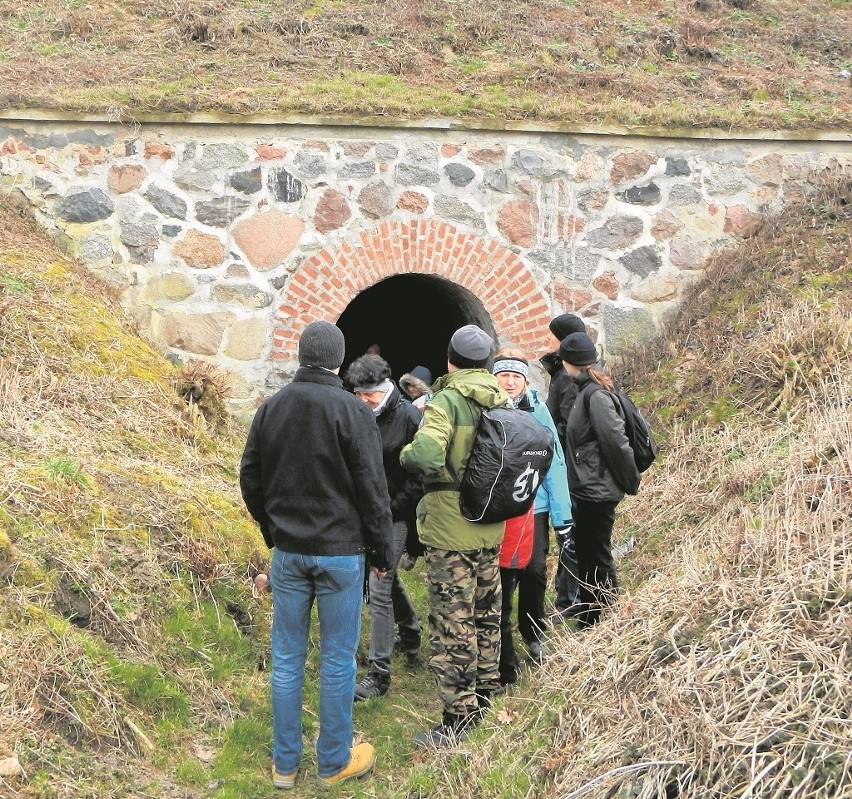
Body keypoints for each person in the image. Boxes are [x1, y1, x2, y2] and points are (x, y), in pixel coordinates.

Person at [239, 321, 394, 789]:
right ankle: (332, 763)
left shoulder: (272, 408)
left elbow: (250, 477)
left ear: (300, 355)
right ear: (338, 361)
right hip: (341, 555)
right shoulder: (352, 411)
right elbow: (373, 488)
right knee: (337, 660)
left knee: (286, 659)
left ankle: (284, 765)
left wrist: (273, 530)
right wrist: (382, 550)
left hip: (289, 553)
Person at [400, 324, 510, 748]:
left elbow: (426, 453)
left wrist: (407, 452)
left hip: (450, 527)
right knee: (486, 614)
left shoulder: (446, 401)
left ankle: (458, 719)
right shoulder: (502, 398)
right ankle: (488, 696)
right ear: (486, 363)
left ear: (451, 360)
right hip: (490, 523)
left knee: (453, 622)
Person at [343, 354, 424, 701]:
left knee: (378, 585)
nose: (363, 401)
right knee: (385, 576)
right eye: (358, 394)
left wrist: (390, 509)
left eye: (369, 395)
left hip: (395, 513)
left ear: (386, 388)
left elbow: (419, 476)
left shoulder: (407, 417)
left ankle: (379, 674)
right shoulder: (356, 412)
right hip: (366, 511)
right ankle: (410, 631)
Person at [492, 350, 573, 686]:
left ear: (525, 381)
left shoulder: (538, 411)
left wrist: (562, 517)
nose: (510, 382)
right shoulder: (489, 411)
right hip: (500, 510)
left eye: (516, 376)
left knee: (535, 572)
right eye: (504, 375)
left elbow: (555, 464)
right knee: (503, 578)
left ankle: (534, 631)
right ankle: (503, 650)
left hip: (534, 507)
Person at [558, 331, 640, 628]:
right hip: (590, 486)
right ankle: (601, 611)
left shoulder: (594, 395)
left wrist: (629, 481)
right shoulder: (587, 389)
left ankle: (598, 617)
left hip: (598, 489)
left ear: (571, 363)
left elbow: (615, 441)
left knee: (595, 554)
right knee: (591, 551)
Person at [540, 314, 586, 622]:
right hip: (565, 463)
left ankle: (570, 600)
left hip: (567, 466)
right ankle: (568, 596)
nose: (549, 343)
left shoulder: (567, 378)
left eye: (554, 337)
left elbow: (570, 424)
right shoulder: (564, 373)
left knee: (569, 533)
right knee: (568, 532)